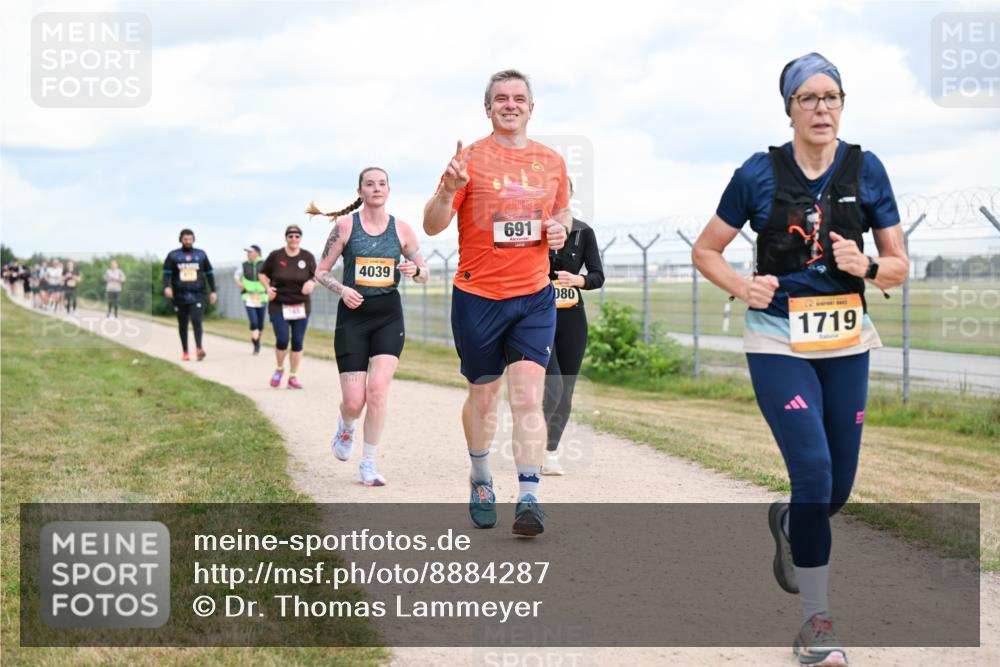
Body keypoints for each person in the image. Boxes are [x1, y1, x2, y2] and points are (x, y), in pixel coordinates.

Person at [692, 53, 909, 667]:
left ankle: (791, 522)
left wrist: (864, 265)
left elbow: (897, 265)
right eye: (808, 98)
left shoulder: (868, 171)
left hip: (845, 341)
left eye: (832, 97)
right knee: (813, 473)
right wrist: (743, 286)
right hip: (778, 339)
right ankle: (817, 622)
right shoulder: (758, 173)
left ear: (844, 104)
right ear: (788, 106)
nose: (822, 108)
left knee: (836, 488)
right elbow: (707, 251)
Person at [422, 69, 571, 537]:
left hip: (534, 296)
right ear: (487, 108)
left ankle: (529, 498)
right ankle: (481, 477)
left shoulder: (551, 161)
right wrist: (448, 189)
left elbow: (562, 210)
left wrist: (560, 227)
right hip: (478, 297)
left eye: (519, 98)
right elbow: (431, 225)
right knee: (484, 398)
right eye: (501, 98)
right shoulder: (468, 159)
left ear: (531, 107)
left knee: (527, 396)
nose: (511, 104)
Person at [311, 167, 429, 487]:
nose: (376, 188)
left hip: (388, 315)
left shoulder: (402, 229)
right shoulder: (346, 227)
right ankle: (346, 426)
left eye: (382, 184)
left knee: (377, 392)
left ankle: (369, 463)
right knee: (354, 401)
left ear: (389, 190)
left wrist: (413, 269)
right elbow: (321, 271)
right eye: (369, 184)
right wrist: (343, 289)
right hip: (353, 316)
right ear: (360, 191)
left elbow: (424, 273)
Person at [542, 180, 604, 475]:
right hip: (537, 319)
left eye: (563, 192)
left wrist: (578, 280)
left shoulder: (583, 232)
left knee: (565, 390)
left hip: (571, 318)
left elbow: (597, 275)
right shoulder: (531, 229)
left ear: (571, 195)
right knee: (551, 386)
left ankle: (550, 451)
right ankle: (532, 441)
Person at [259, 225, 317, 389]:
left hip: (301, 305)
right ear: (285, 238)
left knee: (298, 341)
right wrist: (267, 288)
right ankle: (279, 369)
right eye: (290, 236)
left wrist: (312, 283)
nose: (294, 239)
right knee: (283, 339)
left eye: (297, 236)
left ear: (300, 238)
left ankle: (293, 376)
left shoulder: (307, 257)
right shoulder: (276, 256)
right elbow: (262, 274)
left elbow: (318, 275)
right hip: (279, 304)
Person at [163, 229, 217, 361]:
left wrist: (213, 291)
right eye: (185, 239)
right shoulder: (173, 255)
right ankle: (185, 351)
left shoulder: (201, 254)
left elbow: (209, 273)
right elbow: (166, 274)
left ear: (193, 239)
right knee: (183, 324)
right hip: (179, 295)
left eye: (190, 239)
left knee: (197, 321)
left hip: (198, 294)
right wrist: (166, 287)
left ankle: (199, 349)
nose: (188, 241)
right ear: (181, 239)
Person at [233, 244, 268, 354]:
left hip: (262, 296)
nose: (248, 254)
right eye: (247, 252)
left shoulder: (264, 264)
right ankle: (256, 344)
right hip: (248, 296)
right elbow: (236, 276)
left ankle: (257, 339)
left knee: (260, 323)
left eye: (250, 251)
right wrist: (239, 283)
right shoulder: (243, 265)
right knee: (254, 321)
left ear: (257, 253)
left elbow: (271, 276)